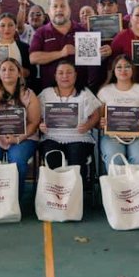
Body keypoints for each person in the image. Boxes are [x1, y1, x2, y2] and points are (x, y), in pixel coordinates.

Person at [0, 58, 41, 186]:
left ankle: (15, 197)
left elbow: (34, 122)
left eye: (11, 69)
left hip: (23, 139)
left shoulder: (29, 94)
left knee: (17, 160)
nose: (7, 72)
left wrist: (18, 138)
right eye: (3, 70)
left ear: (19, 73)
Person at [38, 60, 101, 190]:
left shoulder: (84, 93)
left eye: (69, 72)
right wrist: (40, 125)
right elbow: (35, 115)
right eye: (60, 73)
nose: (65, 76)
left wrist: (88, 125)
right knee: (53, 156)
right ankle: (56, 193)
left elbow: (96, 115)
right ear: (55, 76)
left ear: (75, 75)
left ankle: (77, 193)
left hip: (79, 137)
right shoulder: (46, 94)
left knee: (76, 157)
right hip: (52, 136)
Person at [30, 0, 107, 91]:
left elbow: (92, 60)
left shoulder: (82, 31)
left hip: (80, 91)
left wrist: (102, 53)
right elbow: (33, 58)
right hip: (50, 92)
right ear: (49, 11)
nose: (59, 10)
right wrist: (61, 53)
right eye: (55, 6)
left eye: (63, 6)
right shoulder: (41, 32)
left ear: (69, 10)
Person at [97, 54, 139, 167]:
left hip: (138, 136)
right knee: (115, 159)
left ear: (133, 69)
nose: (123, 70)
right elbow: (98, 122)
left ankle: (137, 180)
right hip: (112, 137)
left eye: (127, 67)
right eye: (119, 67)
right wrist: (101, 123)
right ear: (113, 70)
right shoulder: (104, 91)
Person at [0, 12, 32, 83]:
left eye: (10, 25)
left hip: (19, 87)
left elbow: (31, 72)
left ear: (16, 27)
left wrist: (15, 69)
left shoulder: (24, 48)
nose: (6, 29)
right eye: (2, 25)